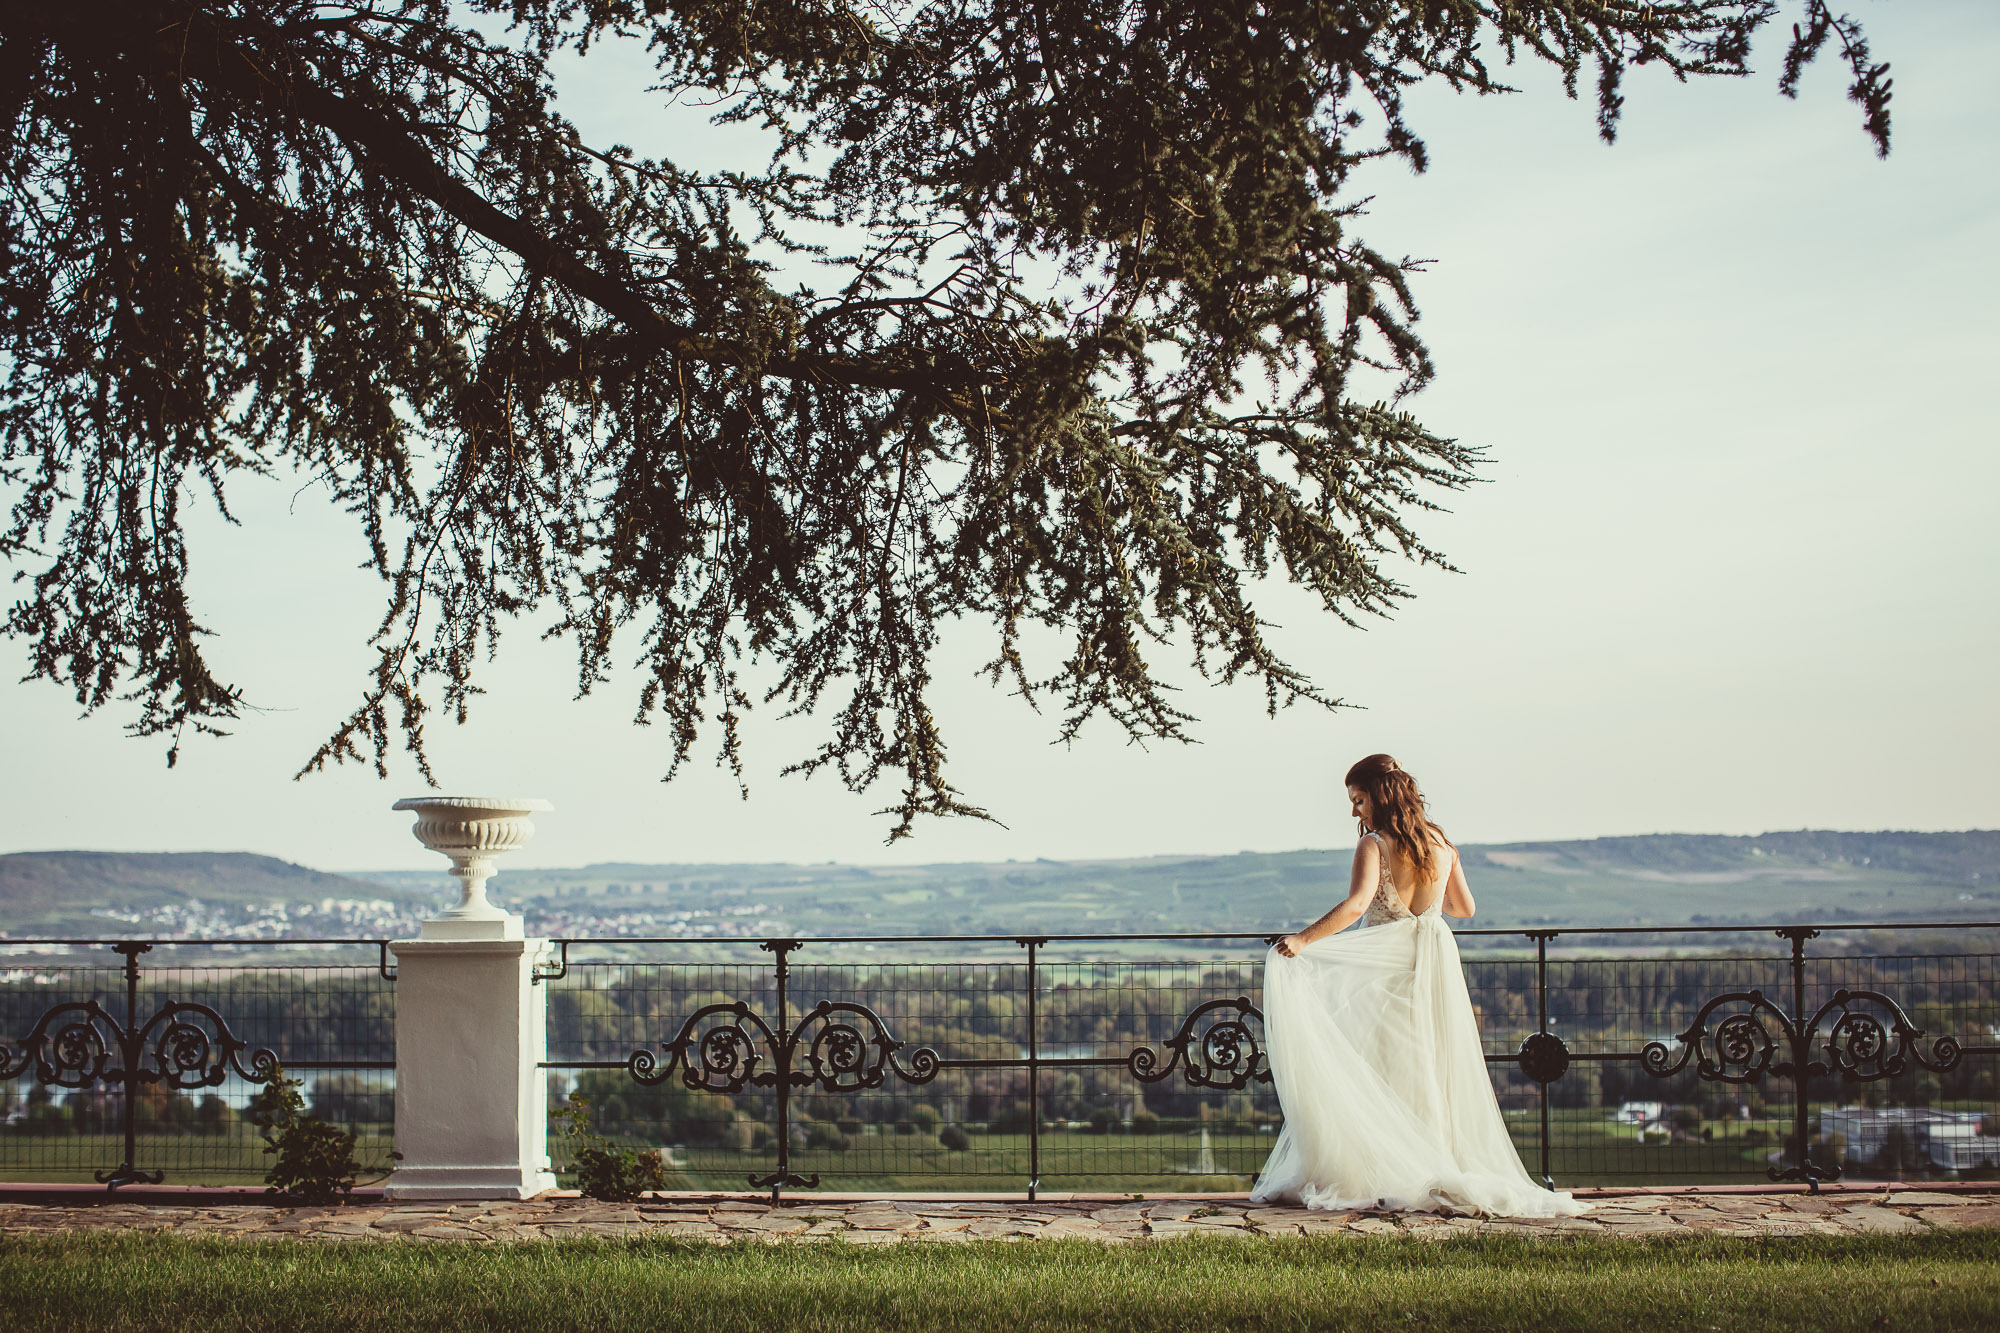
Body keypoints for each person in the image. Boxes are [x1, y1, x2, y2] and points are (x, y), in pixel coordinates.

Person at [1248, 753, 1588, 1216]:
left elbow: (1355, 907)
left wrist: (1303, 940)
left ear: (1379, 797)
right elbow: (1464, 908)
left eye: (1359, 800)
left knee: (1382, 1071)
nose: (1355, 812)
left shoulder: (1375, 845)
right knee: (1431, 1066)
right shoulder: (1443, 845)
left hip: (1386, 974)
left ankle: (1392, 1170)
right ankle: (1433, 1165)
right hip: (1432, 967)